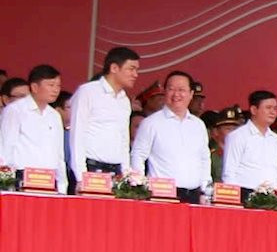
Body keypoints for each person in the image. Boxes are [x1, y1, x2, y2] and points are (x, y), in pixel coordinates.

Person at [127, 69, 211, 201]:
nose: (176, 94)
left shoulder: (198, 125)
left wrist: (206, 189)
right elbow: (138, 156)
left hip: (194, 195)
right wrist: (140, 187)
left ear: (191, 94)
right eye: (171, 89)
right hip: (163, 194)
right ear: (165, 92)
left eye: (181, 90)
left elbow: (204, 158)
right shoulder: (151, 123)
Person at [67, 45, 141, 176]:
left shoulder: (124, 100)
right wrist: (81, 175)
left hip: (116, 171)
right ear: (114, 68)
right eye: (131, 69)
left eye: (137, 70)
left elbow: (123, 139)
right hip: (91, 168)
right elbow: (77, 135)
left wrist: (126, 173)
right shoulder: (88, 92)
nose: (135, 75)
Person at [1, 64, 67, 183]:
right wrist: (6, 182)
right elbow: (5, 148)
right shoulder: (15, 110)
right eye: (51, 85)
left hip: (49, 179)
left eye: (58, 85)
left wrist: (62, 185)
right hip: (21, 177)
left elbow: (59, 155)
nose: (56, 90)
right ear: (35, 87)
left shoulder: (54, 116)